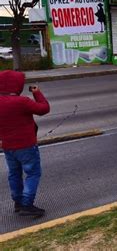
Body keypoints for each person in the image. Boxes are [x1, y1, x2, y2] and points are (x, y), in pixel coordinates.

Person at [0, 70, 50, 217]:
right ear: (17, 85)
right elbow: (43, 109)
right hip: (26, 145)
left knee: (14, 174)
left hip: (8, 146)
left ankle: (18, 202)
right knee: (33, 173)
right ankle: (27, 204)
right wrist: (37, 93)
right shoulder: (22, 101)